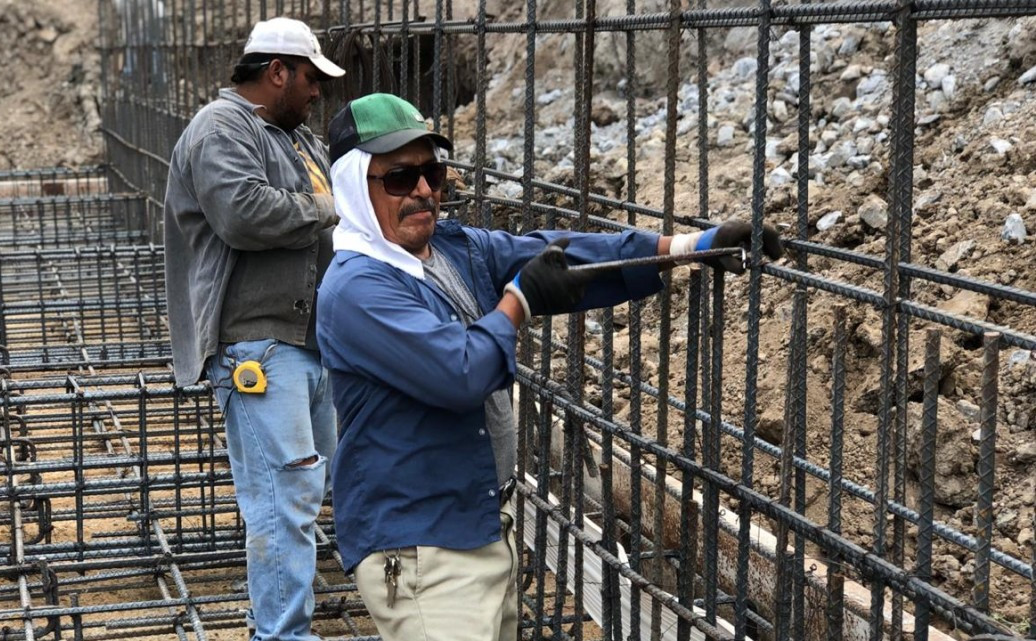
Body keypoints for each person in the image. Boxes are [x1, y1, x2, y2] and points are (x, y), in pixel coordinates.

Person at [315, 93, 782, 641]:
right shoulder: (357, 288)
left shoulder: (446, 249)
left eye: (432, 173)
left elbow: (559, 255)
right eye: (399, 178)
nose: (422, 191)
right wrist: (517, 301)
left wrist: (685, 246)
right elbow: (460, 373)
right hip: (423, 551)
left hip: (481, 526)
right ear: (354, 187)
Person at [162, 17, 345, 641]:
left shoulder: (293, 138)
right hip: (259, 349)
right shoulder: (222, 128)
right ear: (278, 72)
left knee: (311, 491)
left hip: (311, 345)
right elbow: (243, 213)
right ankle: (282, 635)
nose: (318, 93)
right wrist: (327, 209)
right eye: (312, 80)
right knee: (281, 503)